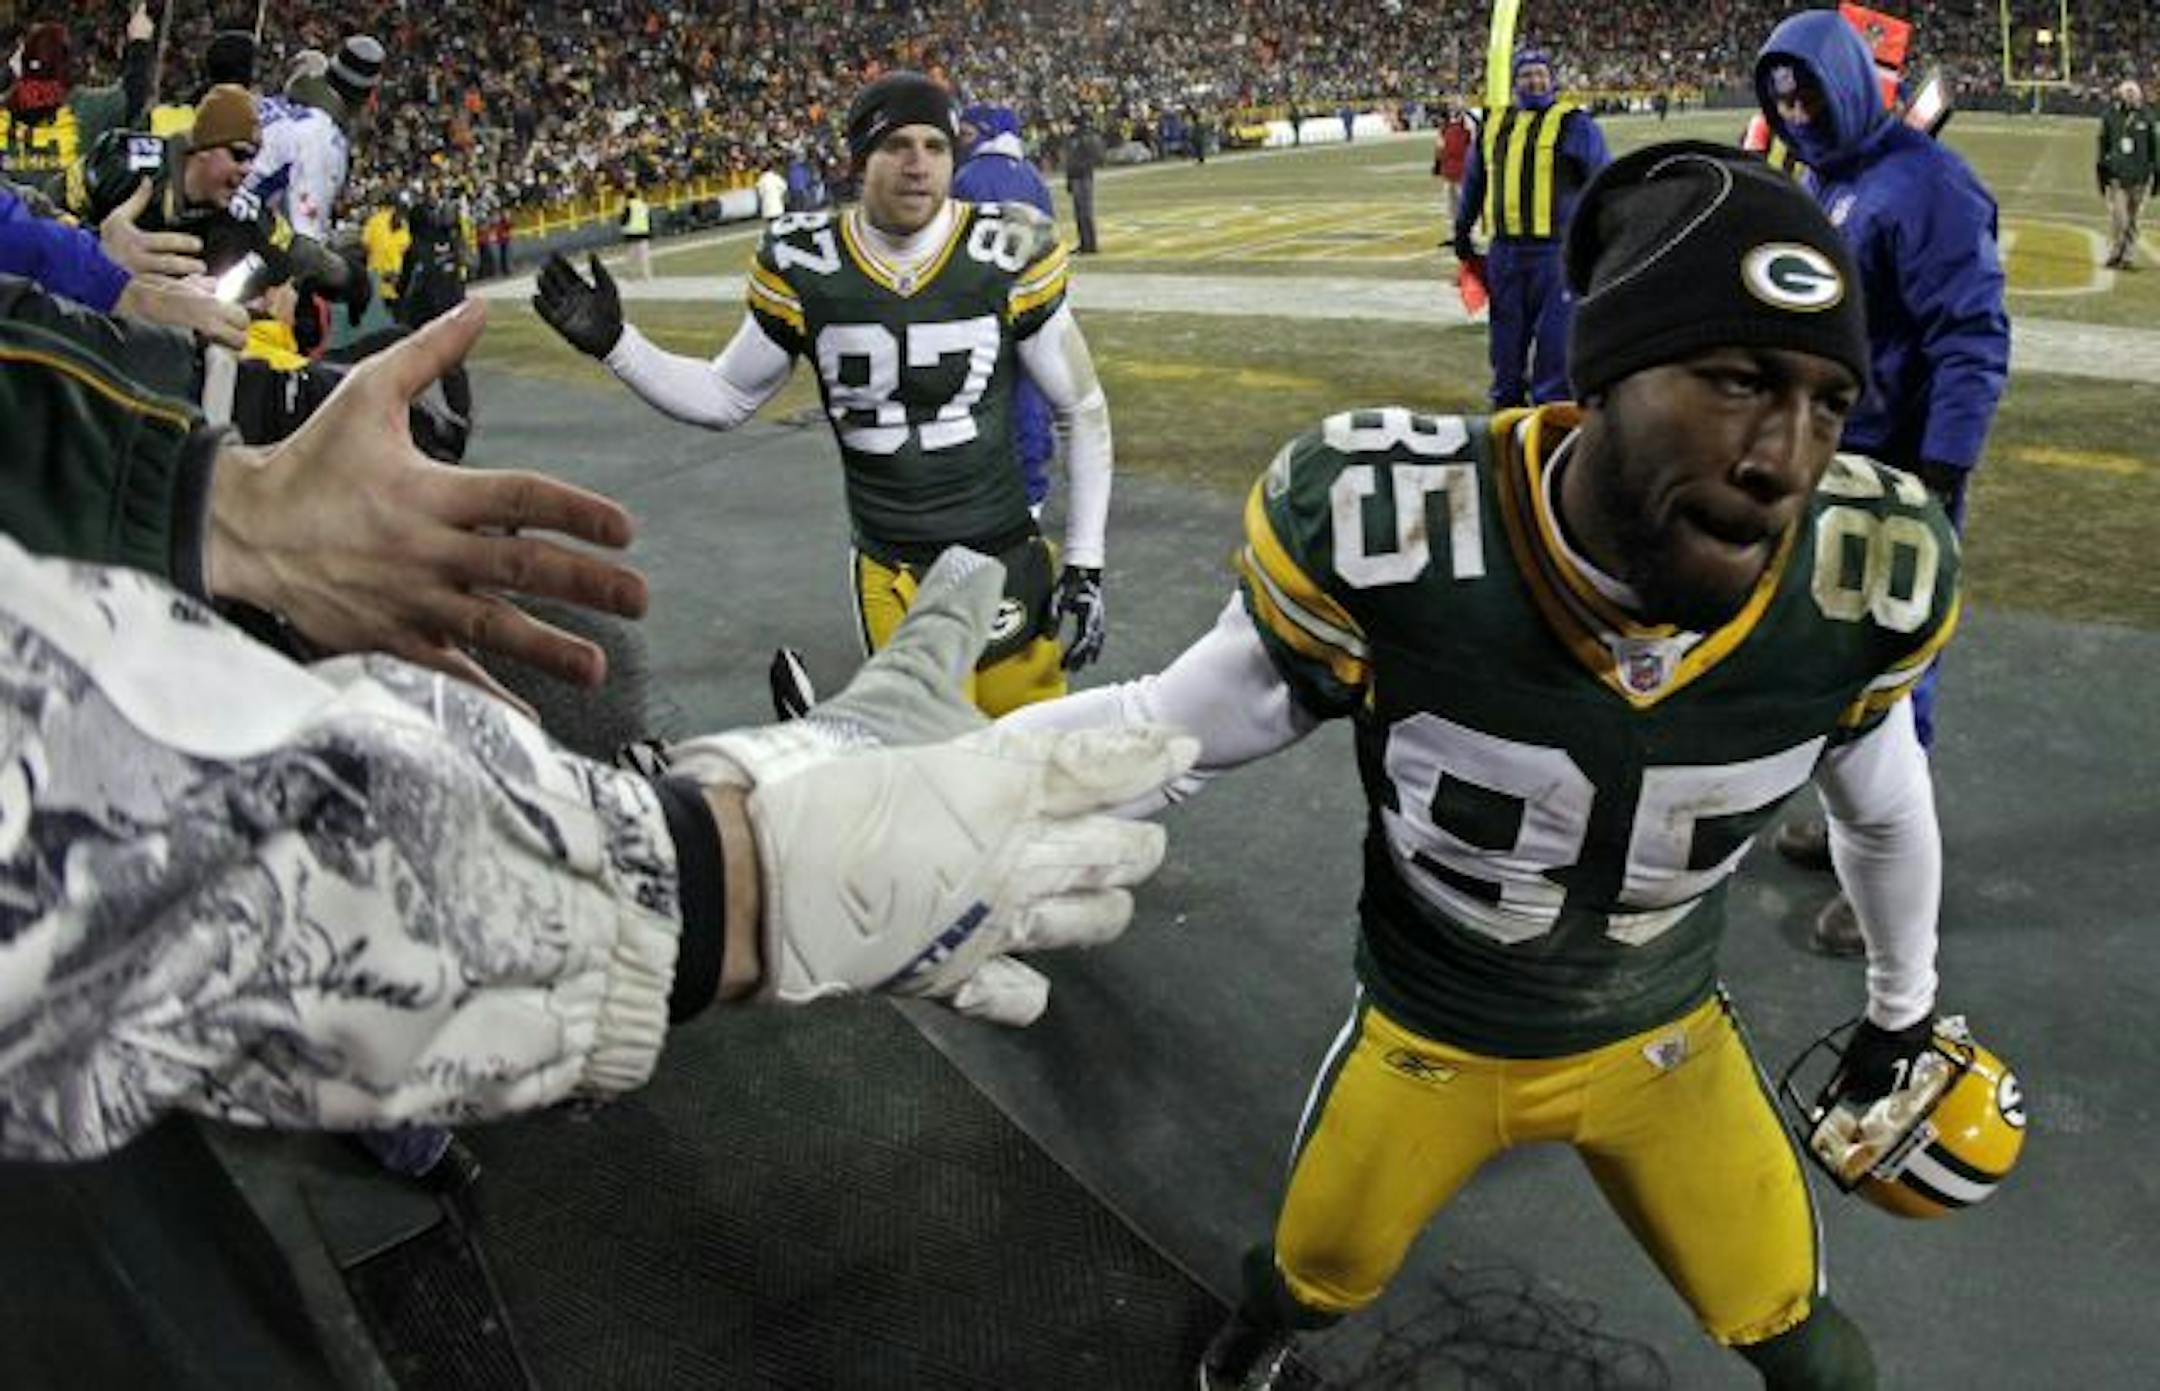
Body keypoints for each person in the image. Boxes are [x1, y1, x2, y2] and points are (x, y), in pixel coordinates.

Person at [1008, 143, 1962, 1390]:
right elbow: (1157, 732)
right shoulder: (1405, 536)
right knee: (1309, 1268)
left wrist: (1904, 1010)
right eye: (1735, 380)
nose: (1785, 458)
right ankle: (1263, 1329)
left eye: (1828, 402)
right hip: (1434, 1037)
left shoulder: (1855, 586)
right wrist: (880, 798)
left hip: (1662, 1039)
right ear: (1606, 372)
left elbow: (1886, 813)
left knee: (1813, 1351)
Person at [533, 71, 1114, 718]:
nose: (918, 165)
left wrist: (1085, 562)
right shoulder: (808, 263)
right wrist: (619, 345)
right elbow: (725, 396)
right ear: (859, 159)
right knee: (932, 770)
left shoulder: (1005, 248)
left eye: (935, 145)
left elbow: (1081, 408)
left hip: (1006, 549)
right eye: (896, 145)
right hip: (892, 566)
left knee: (1028, 765)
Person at [1754, 11, 2008, 953]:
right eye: (1780, 98)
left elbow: (1972, 337)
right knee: (1840, 669)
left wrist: (1940, 472)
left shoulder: (1927, 184)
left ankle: (1888, 889)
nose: (1796, 111)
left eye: (1809, 92)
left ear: (1850, 84)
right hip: (1838, 461)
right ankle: (1854, 829)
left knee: (1896, 681)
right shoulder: (1838, 177)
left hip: (1902, 467)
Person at [1452, 49, 1610, 407]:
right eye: (1526, 75)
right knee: (1506, 337)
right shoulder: (1495, 126)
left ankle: (1550, 410)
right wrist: (1463, 231)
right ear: (1515, 82)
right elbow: (1475, 182)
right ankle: (1506, 404)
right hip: (1505, 251)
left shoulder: (1574, 124)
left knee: (1555, 337)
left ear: (1552, 79)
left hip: (1556, 252)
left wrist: (1600, 237)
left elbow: (1602, 181)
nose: (1534, 81)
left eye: (1540, 73)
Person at [953, 101, 1057, 515]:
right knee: (1032, 394)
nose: (960, 139)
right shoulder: (1032, 177)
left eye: (966, 132)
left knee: (986, 397)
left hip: (984, 306)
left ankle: (998, 488)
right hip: (1033, 301)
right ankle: (1034, 488)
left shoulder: (966, 178)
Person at [0, 5, 155, 200]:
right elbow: (134, 96)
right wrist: (139, 42)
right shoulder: (89, 107)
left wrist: (10, 73)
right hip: (66, 224)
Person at [2098, 79, 2157, 270]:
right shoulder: (2110, 116)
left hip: (2139, 177)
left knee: (2132, 220)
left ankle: (2127, 257)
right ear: (2121, 95)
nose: (2131, 97)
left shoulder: (2148, 117)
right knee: (2120, 218)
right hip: (2118, 177)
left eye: (2134, 94)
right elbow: (2103, 145)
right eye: (2128, 93)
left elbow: (2154, 148)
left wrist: (2156, 174)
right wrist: (2102, 172)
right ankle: (2116, 252)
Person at [1430, 98, 1474, 234]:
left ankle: (1469, 234)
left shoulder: (1466, 124)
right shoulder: (1445, 127)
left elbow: (1473, 134)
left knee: (1465, 205)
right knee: (1450, 207)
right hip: (1449, 171)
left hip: (1463, 171)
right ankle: (1453, 234)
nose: (1453, 108)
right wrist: (1437, 164)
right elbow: (1439, 147)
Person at [1064, 112, 1105, 254]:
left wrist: (1082, 168)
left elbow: (1095, 158)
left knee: (1086, 213)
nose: (1066, 127)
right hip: (1076, 178)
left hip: (1083, 178)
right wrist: (1069, 179)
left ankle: (1091, 245)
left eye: (1068, 124)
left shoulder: (1085, 137)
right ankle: (1083, 243)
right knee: (1078, 214)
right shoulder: (1071, 139)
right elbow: (1069, 162)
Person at [621, 185, 654, 279]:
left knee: (631, 256)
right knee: (644, 256)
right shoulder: (643, 205)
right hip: (643, 233)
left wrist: (623, 229)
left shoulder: (628, 206)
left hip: (631, 234)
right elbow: (648, 219)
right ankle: (647, 275)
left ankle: (630, 275)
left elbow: (624, 220)